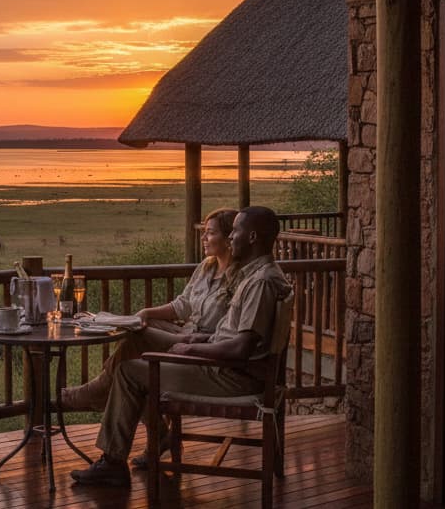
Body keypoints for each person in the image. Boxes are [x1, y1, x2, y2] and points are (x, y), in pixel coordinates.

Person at [70, 205, 291, 489]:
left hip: (231, 376)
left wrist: (192, 349)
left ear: (252, 237)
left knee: (129, 372)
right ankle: (120, 438)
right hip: (225, 366)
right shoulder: (257, 275)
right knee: (135, 355)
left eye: (235, 231)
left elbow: (241, 349)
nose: (230, 237)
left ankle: (112, 462)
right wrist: (202, 340)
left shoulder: (260, 282)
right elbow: (235, 336)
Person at [60, 207, 239, 412]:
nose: (203, 238)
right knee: (143, 325)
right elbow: (182, 305)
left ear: (229, 239)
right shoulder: (206, 267)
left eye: (211, 233)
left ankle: (94, 391)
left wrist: (196, 338)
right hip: (185, 331)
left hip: (200, 342)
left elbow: (229, 330)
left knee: (138, 335)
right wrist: (146, 312)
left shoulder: (240, 279)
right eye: (204, 232)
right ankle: (106, 388)